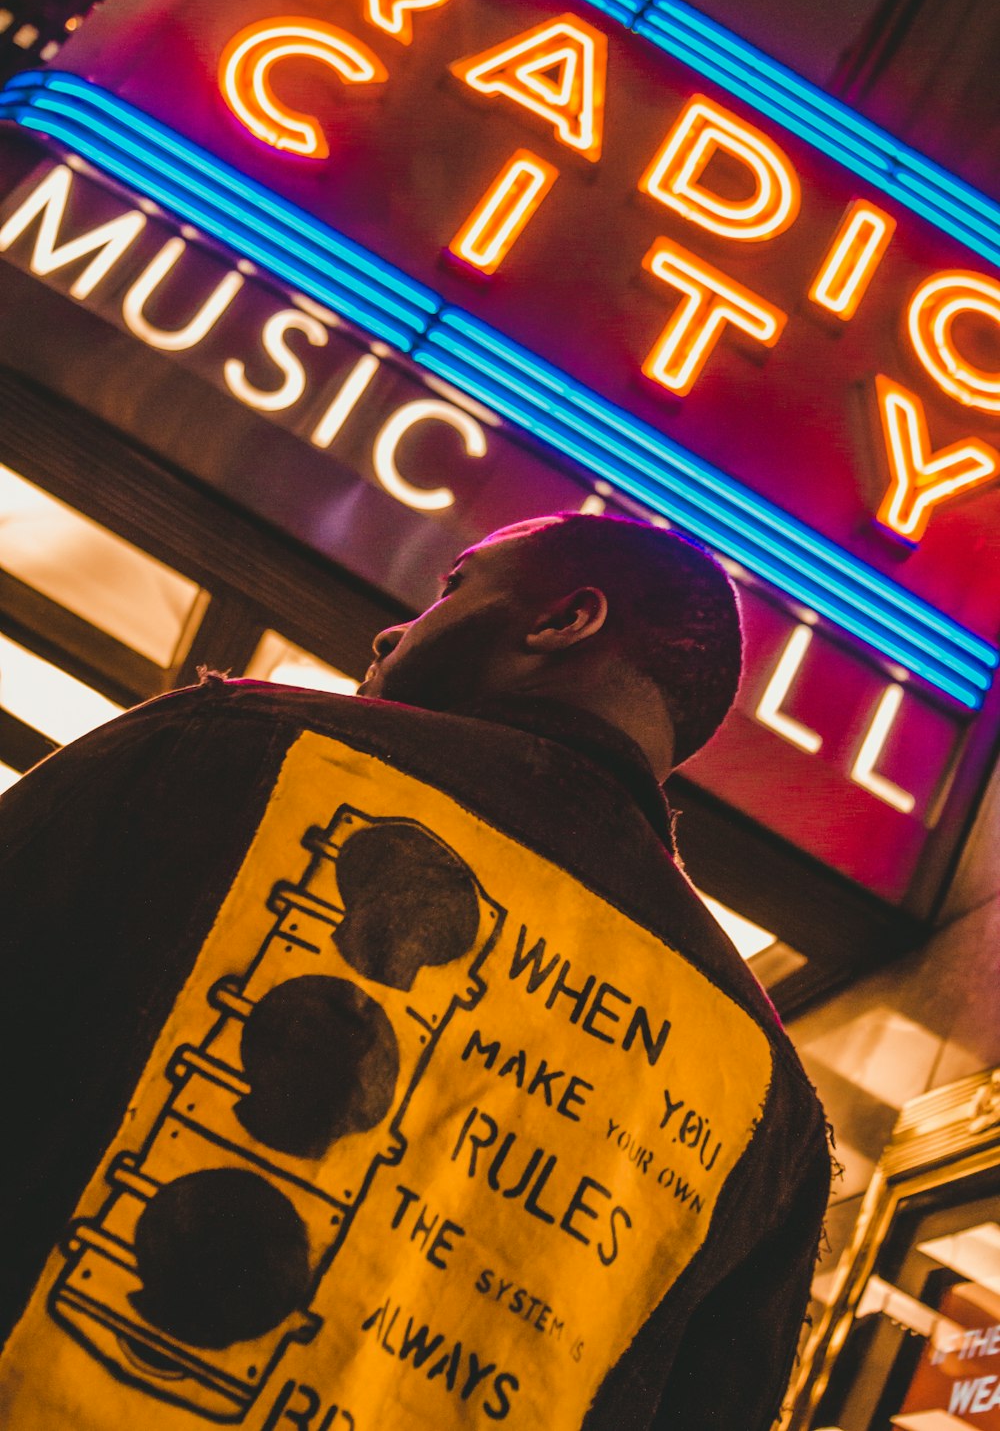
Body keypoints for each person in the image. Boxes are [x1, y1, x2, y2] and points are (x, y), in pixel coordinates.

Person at [0, 512, 829, 1431]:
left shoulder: (232, 747)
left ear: (564, 622)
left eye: (451, 588)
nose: (392, 630)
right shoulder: (765, 1102)